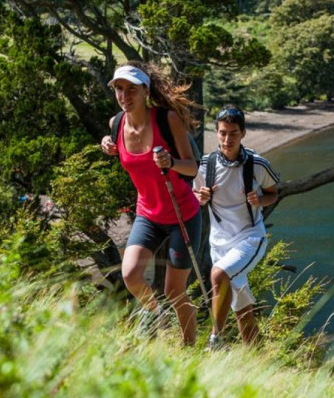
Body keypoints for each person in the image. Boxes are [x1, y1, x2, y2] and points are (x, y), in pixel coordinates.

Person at [100, 61, 201, 346]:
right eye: (119, 89)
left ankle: (189, 348)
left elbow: (192, 168)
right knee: (130, 274)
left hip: (182, 214)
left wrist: (171, 163)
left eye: (131, 89)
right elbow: (118, 147)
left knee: (174, 292)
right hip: (148, 214)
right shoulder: (116, 123)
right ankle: (158, 316)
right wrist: (107, 145)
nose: (124, 95)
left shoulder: (167, 119)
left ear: (145, 90)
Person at [194, 105, 279, 351]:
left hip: (250, 239)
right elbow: (195, 196)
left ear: (243, 133)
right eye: (222, 133)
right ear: (217, 132)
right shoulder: (207, 165)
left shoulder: (257, 164)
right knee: (242, 309)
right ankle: (257, 357)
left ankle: (215, 340)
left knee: (218, 275)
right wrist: (202, 197)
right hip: (219, 244)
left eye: (233, 133)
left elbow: (273, 192)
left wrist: (259, 200)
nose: (227, 139)